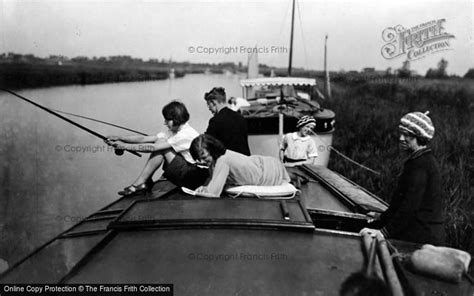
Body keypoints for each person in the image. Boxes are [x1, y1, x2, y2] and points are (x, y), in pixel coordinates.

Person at [368, 111, 445, 245]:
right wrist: (383, 217)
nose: (401, 138)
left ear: (420, 137)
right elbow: (399, 201)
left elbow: (409, 206)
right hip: (422, 230)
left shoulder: (421, 165)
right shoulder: (420, 159)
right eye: (401, 133)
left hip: (423, 237)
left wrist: (384, 232)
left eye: (407, 135)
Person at [106, 101, 208, 195]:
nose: (164, 123)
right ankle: (144, 181)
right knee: (160, 142)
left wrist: (124, 146)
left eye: (167, 120)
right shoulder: (176, 130)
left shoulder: (185, 134)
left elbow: (153, 148)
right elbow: (145, 139)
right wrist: (120, 138)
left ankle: (140, 183)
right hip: (190, 172)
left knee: (161, 146)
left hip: (195, 177)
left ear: (175, 119)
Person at [189, 134, 290, 198]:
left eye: (203, 155)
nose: (202, 160)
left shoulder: (222, 160)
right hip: (266, 163)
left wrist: (199, 192)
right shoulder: (217, 160)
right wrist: (204, 187)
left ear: (211, 149)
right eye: (199, 158)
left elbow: (212, 194)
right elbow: (213, 181)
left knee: (295, 174)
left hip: (269, 171)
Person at [204, 87, 251, 156]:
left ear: (214, 102)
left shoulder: (215, 121)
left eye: (208, 104)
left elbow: (207, 143)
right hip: (245, 159)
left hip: (230, 162)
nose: (209, 108)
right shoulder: (240, 117)